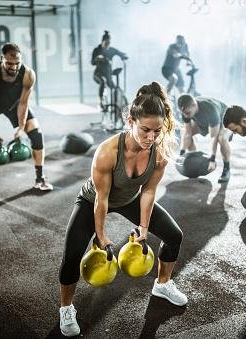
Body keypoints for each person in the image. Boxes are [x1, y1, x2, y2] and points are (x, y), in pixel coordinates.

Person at [58, 81, 187, 337]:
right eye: (145, 130)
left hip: (130, 199)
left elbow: (148, 191)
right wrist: (101, 234)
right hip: (92, 199)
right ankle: (65, 307)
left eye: (157, 130)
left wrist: (143, 228)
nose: (151, 137)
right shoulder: (107, 152)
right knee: (72, 253)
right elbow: (101, 199)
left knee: (174, 236)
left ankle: (163, 284)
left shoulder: (158, 152)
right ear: (130, 120)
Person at [0, 43, 52, 200]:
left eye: (17, 63)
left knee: (37, 135)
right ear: (1, 59)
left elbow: (24, 104)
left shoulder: (28, 75)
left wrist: (20, 128)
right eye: (9, 63)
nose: (14, 67)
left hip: (14, 104)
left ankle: (40, 179)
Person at [177, 94, 231, 183]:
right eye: (184, 113)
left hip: (225, 120)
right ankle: (193, 159)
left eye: (187, 113)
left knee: (221, 138)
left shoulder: (210, 110)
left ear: (195, 105)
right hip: (205, 122)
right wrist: (182, 154)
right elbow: (187, 134)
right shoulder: (186, 111)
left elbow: (213, 137)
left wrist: (212, 160)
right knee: (184, 131)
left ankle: (226, 169)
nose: (185, 116)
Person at [91, 30, 128, 110]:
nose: (107, 45)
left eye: (109, 43)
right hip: (98, 74)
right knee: (102, 82)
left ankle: (116, 105)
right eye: (106, 43)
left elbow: (119, 53)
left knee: (114, 88)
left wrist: (123, 56)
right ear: (102, 42)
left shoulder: (111, 50)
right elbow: (92, 62)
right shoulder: (97, 50)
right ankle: (100, 102)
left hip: (108, 74)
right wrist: (97, 58)